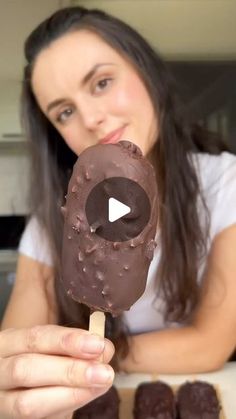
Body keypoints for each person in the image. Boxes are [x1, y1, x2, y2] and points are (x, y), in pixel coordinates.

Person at [1, 5, 236, 418]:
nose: (91, 118)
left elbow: (211, 343)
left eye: (102, 82)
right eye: (64, 112)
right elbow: (19, 343)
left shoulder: (225, 184)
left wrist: (94, 357)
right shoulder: (49, 224)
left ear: (146, 72)